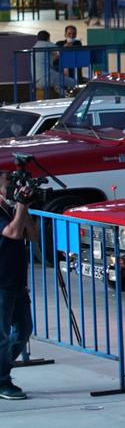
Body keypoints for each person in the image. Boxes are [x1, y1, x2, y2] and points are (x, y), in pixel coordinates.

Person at [0, 171, 38, 401]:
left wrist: (24, 208)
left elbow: (32, 236)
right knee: (2, 336)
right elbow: (13, 233)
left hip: (17, 282)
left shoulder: (12, 209)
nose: (14, 187)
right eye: (8, 182)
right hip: (1, 283)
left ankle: (1, 371)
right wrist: (21, 207)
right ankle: (3, 382)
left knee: (23, 331)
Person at [28, 30, 55, 99]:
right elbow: (60, 50)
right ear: (48, 38)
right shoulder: (46, 44)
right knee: (72, 82)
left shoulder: (34, 47)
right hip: (47, 77)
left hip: (36, 80)